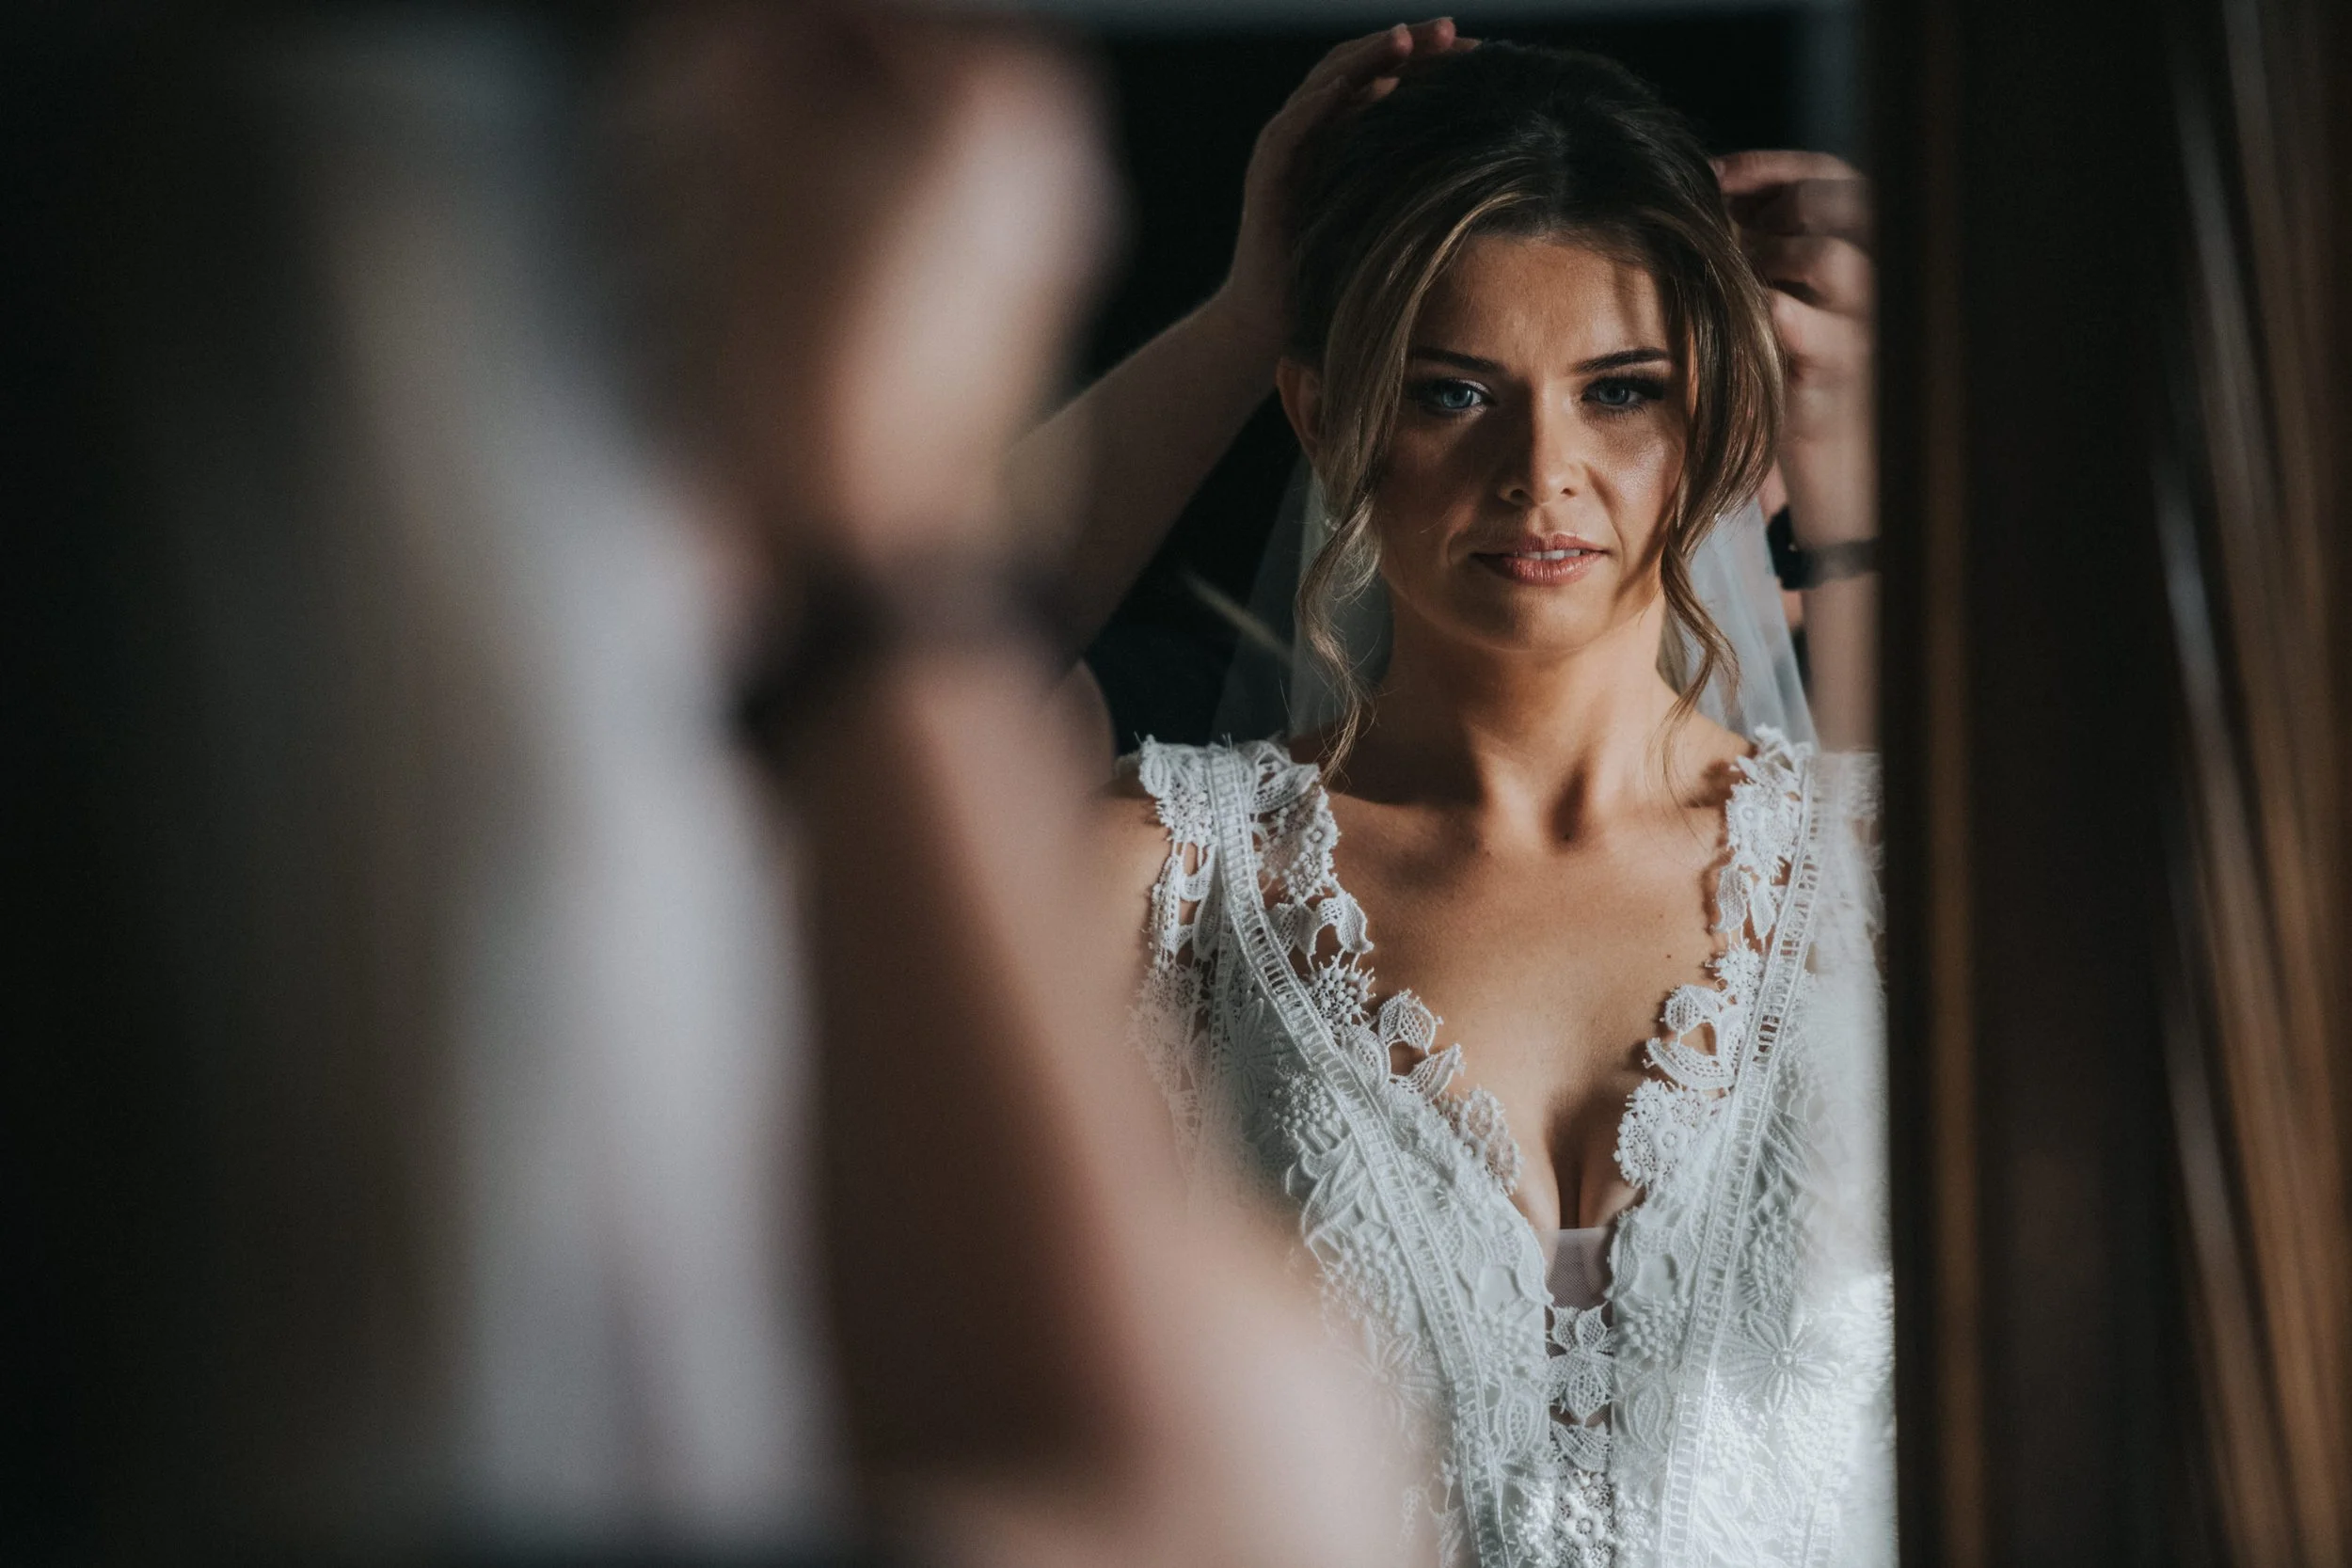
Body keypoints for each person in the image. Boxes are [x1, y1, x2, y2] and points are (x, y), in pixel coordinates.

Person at [1027, 24, 1889, 1568]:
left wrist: (1865, 496)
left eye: (1620, 390)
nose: (1541, 470)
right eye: (1452, 393)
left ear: (1717, 414)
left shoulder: (1896, 870)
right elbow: (869, 681)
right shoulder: (1168, 879)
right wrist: (1243, 317)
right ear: (1324, 414)